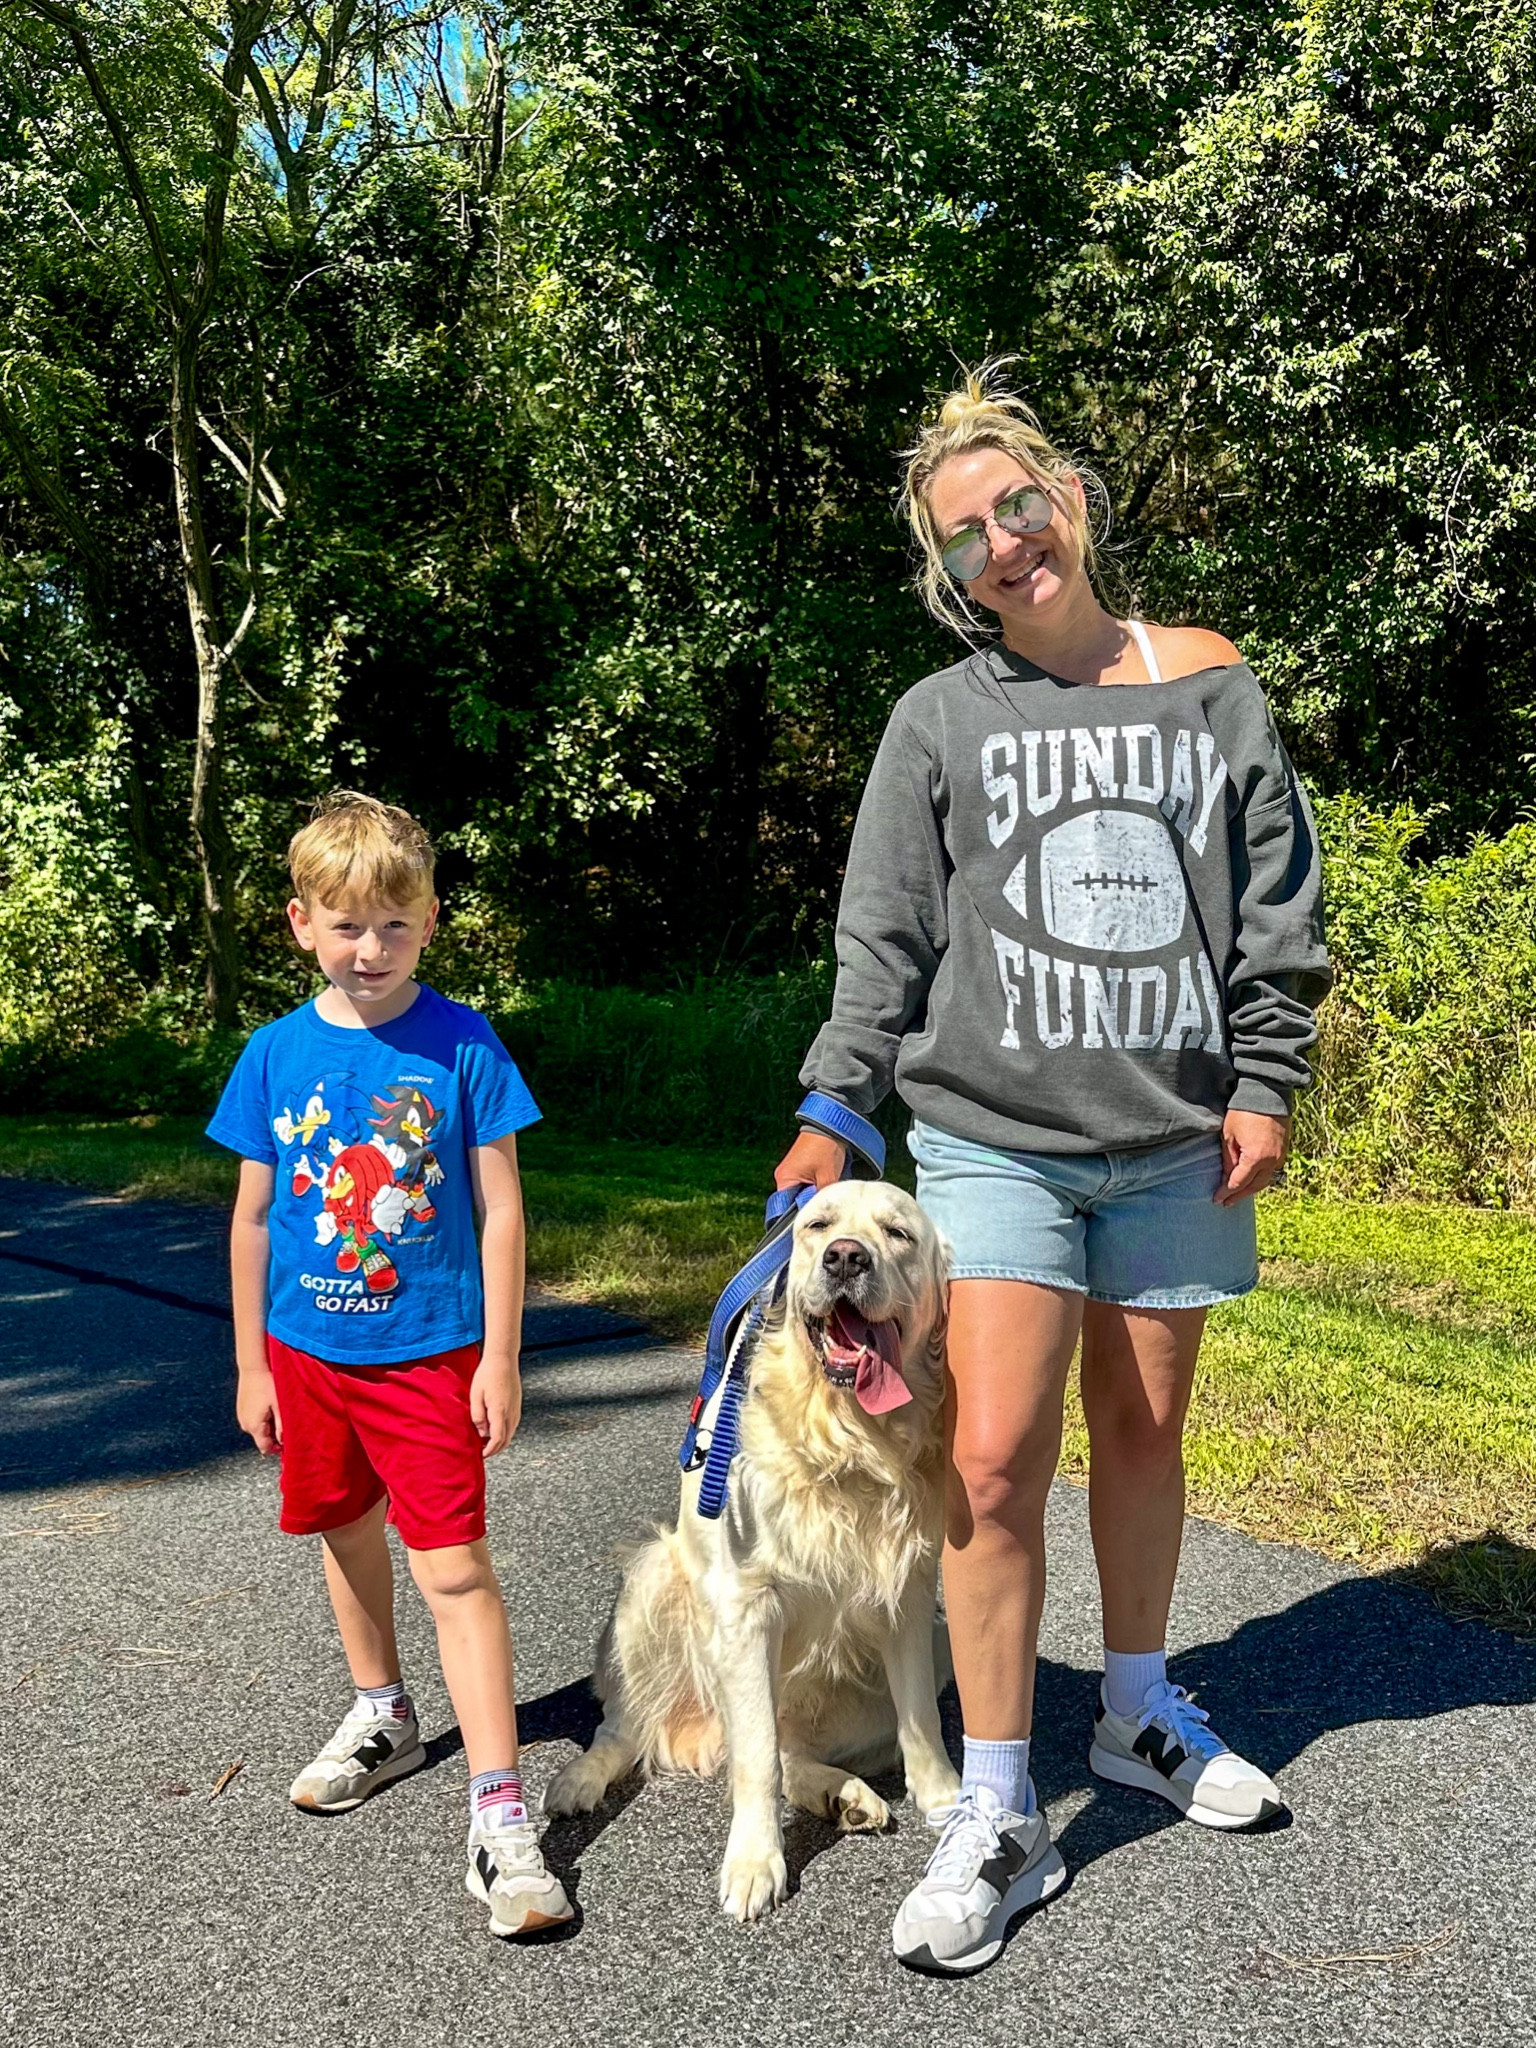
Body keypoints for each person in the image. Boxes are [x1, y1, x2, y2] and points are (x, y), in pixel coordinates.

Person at [775, 366, 1331, 1974]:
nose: (1004, 545)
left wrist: (1267, 1076)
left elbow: (1277, 897)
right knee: (997, 1454)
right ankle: (1000, 1805)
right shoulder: (940, 719)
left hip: (1173, 1137)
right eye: (965, 538)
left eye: (1018, 506)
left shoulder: (1208, 682)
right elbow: (885, 933)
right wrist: (836, 1102)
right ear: (947, 575)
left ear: (1071, 499)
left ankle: (1136, 1711)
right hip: (993, 1137)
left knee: (1144, 1432)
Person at [207, 790, 572, 1939]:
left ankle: (500, 1814)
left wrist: (501, 1355)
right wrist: (251, 1365)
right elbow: (252, 1218)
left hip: (429, 1356)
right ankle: (384, 1712)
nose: (372, 948)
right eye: (347, 924)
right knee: (343, 1527)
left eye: (395, 925)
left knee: (453, 1568)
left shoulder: (463, 1044)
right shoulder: (274, 1053)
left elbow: (501, 1210)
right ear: (301, 923)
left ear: (430, 922)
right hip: (305, 1356)